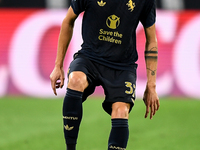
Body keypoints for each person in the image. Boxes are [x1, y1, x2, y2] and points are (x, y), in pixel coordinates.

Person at [50, 0, 160, 149]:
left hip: (122, 66)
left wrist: (151, 85)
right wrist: (58, 66)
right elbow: (68, 20)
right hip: (90, 58)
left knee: (121, 111)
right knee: (75, 80)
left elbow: (151, 40)